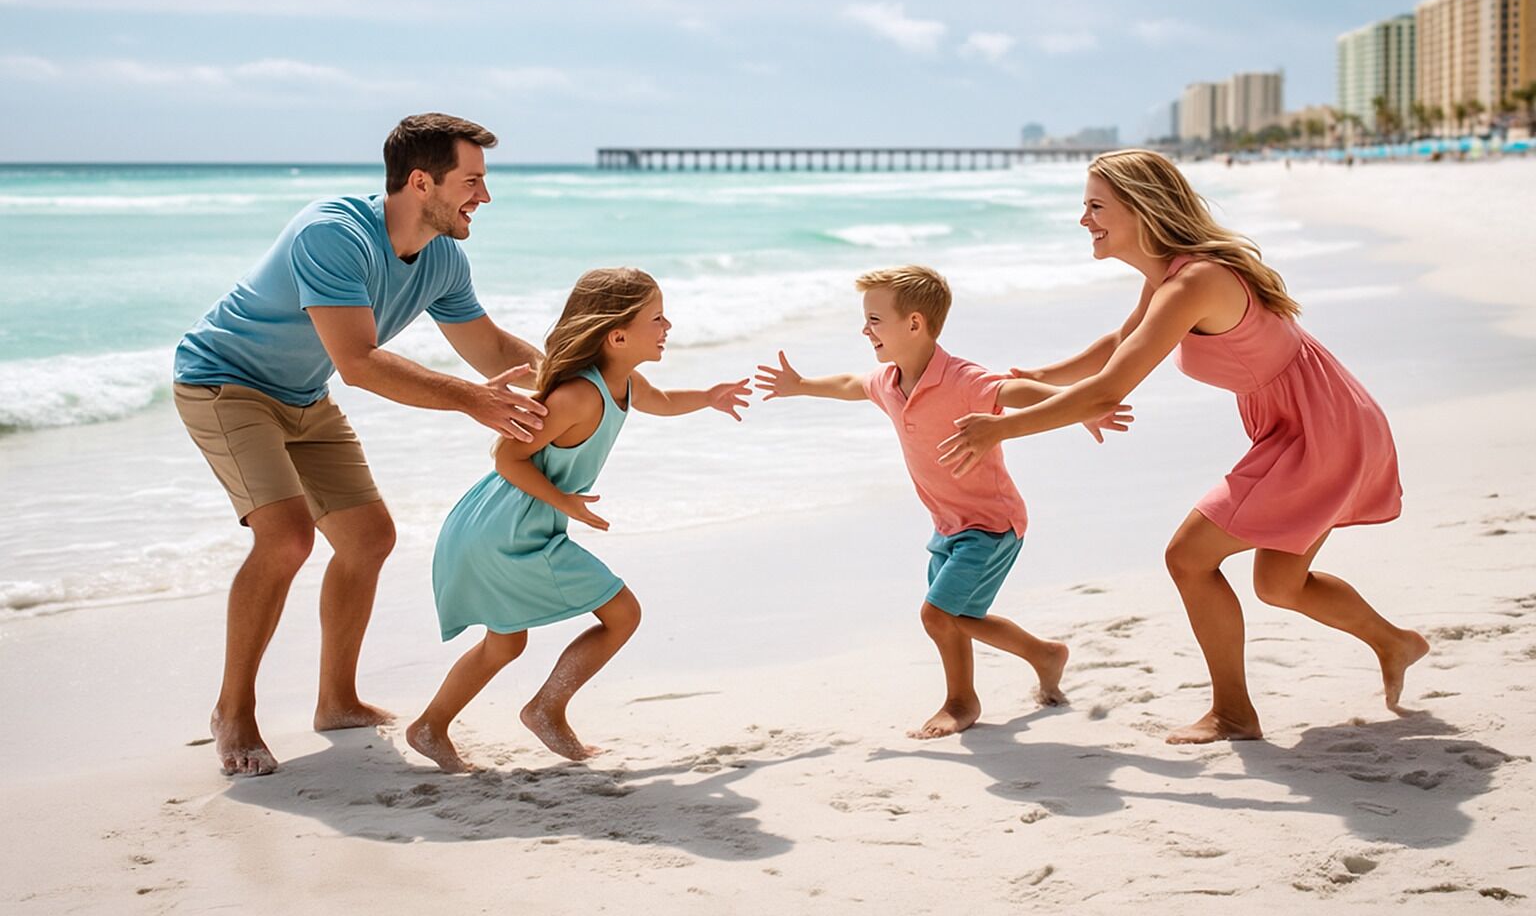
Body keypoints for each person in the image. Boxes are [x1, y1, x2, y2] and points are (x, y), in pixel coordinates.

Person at [937, 149, 1429, 745]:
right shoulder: (1169, 278)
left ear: (1141, 209)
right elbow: (1119, 345)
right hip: (1312, 420)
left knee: (1189, 557)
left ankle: (1234, 713)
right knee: (1280, 584)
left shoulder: (1195, 282)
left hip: (1320, 429)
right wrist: (1039, 375)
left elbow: (1109, 389)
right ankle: (1396, 644)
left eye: (1096, 207)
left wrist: (999, 428)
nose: (1083, 219)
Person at [174, 113, 548, 776]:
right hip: (223, 383)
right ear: (420, 182)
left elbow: (491, 348)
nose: (484, 197)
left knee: (368, 538)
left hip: (302, 395)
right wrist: (472, 399)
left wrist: (582, 378)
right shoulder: (333, 233)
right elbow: (359, 362)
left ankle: (336, 701)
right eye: (472, 181)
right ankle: (233, 711)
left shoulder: (442, 258)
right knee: (286, 539)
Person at [754, 266, 1131, 738]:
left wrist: (1079, 408)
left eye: (874, 320)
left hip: (991, 524)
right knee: (960, 617)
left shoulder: (961, 379)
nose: (865, 330)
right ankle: (1044, 654)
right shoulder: (888, 381)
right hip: (948, 525)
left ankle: (961, 701)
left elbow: (1013, 391)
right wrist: (801, 385)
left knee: (938, 615)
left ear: (914, 323)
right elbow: (852, 384)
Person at [407, 268, 751, 771]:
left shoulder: (623, 382)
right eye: (657, 319)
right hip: (506, 528)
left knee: (505, 643)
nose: (667, 327)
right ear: (617, 336)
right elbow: (507, 457)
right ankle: (545, 710)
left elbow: (660, 401)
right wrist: (564, 502)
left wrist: (708, 397)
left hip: (516, 523)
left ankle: (430, 727)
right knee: (621, 613)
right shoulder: (579, 395)